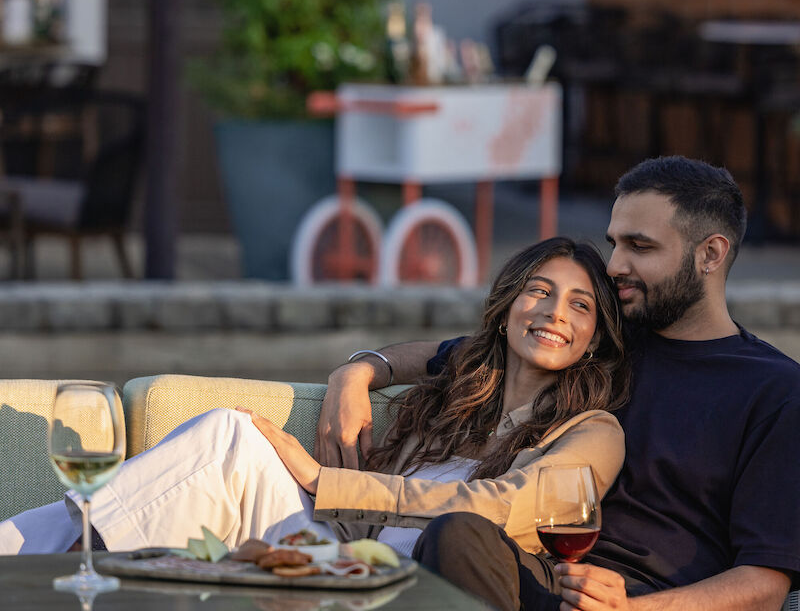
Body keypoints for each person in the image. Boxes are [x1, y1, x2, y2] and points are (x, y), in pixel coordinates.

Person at [317, 156, 800, 610]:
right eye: (615, 244)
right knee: (459, 535)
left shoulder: (774, 390)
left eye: (640, 246)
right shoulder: (600, 340)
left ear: (710, 254)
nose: (615, 266)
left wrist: (631, 608)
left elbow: (765, 585)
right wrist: (358, 371)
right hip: (539, 578)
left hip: (645, 600)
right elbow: (463, 351)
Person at [0, 238, 629, 560]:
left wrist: (319, 478)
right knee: (234, 436)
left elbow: (499, 507)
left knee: (227, 439)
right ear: (505, 310)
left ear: (596, 335)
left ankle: (63, 571)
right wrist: (355, 371)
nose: (553, 313)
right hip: (338, 557)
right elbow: (423, 355)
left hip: (412, 588)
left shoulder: (591, 432)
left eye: (579, 305)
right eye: (538, 292)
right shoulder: (457, 396)